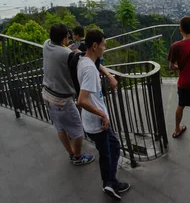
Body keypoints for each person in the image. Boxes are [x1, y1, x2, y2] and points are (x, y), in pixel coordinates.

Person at [77, 29, 130, 199]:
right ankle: (109, 183)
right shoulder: (90, 70)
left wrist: (108, 75)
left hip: (94, 120)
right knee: (107, 153)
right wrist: (103, 114)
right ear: (94, 46)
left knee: (113, 147)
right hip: (97, 121)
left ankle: (111, 181)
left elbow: (96, 64)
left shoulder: (83, 60)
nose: (105, 48)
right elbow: (81, 100)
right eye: (103, 45)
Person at [41, 23, 95, 166]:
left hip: (47, 95)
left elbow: (61, 49)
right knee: (78, 132)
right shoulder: (67, 54)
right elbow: (75, 63)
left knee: (60, 128)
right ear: (65, 38)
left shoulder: (46, 45)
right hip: (62, 99)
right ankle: (77, 157)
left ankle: (71, 154)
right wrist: (76, 54)